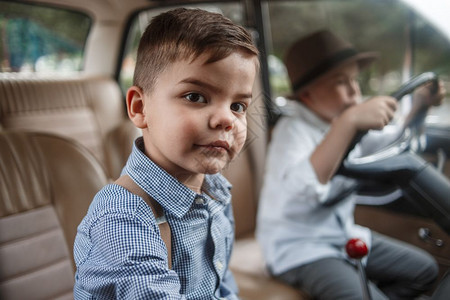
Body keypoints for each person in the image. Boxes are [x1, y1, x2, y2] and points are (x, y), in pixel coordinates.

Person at [73, 8, 259, 299]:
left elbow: (220, 283)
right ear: (139, 108)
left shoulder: (216, 191)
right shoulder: (123, 219)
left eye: (238, 106)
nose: (227, 119)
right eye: (195, 97)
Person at [256, 30, 445, 300]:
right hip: (301, 247)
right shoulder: (293, 131)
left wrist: (418, 108)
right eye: (340, 82)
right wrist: (347, 123)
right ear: (307, 95)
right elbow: (301, 188)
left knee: (425, 270)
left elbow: (385, 144)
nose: (355, 90)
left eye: (354, 80)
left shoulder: (338, 122)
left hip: (341, 233)